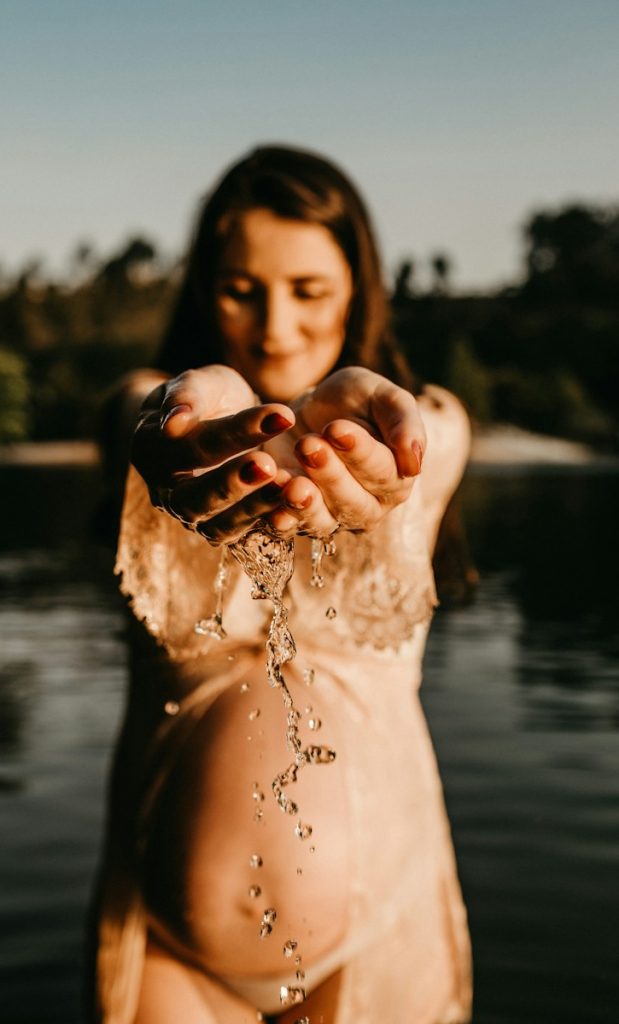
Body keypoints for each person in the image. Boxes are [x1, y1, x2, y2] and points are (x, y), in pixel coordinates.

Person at [88, 145, 473, 1024]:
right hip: (169, 957)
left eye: (308, 290)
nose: (272, 328)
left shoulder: (431, 431)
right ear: (202, 290)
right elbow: (135, 409)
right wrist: (187, 410)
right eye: (240, 288)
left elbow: (425, 439)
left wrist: (387, 446)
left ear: (356, 289)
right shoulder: (147, 415)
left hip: (381, 936)